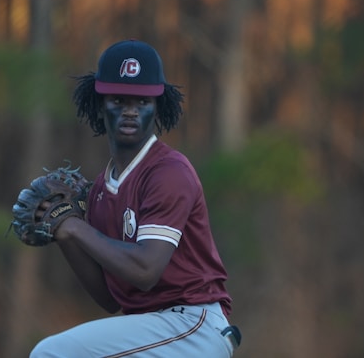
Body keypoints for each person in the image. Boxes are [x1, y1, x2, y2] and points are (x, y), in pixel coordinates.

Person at [30, 39, 240, 357]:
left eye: (142, 102)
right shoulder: (101, 190)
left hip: (192, 325)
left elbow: (144, 271)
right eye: (118, 99)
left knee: (51, 353)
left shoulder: (169, 172)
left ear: (158, 108)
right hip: (155, 330)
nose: (130, 110)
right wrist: (64, 233)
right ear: (100, 105)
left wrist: (76, 229)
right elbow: (110, 298)